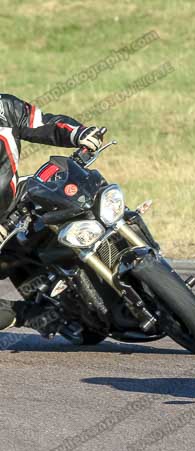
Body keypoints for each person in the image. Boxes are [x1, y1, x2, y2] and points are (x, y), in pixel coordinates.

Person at [0, 93, 104, 330]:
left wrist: (78, 134)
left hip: (18, 198)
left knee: (84, 191)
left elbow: (42, 123)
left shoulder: (4, 108)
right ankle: (27, 313)